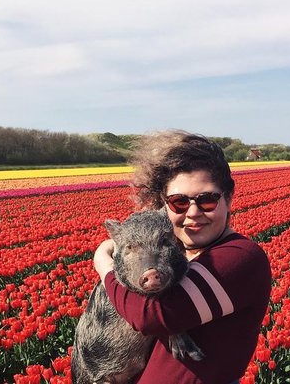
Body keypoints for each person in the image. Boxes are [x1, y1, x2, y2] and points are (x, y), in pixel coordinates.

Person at [93, 130, 271, 384]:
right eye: (179, 202)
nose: (193, 212)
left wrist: (105, 265)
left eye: (207, 200)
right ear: (163, 205)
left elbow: (151, 317)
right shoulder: (175, 256)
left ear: (229, 198)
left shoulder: (241, 258)